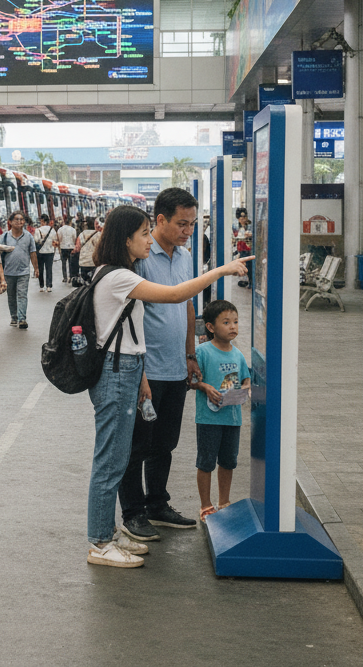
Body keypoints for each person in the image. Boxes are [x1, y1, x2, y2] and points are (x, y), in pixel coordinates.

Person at [85, 206, 252, 568]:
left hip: (127, 369)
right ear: (125, 238)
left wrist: (141, 375)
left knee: (119, 457)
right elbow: (177, 295)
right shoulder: (118, 277)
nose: (148, 240)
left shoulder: (119, 273)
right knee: (111, 462)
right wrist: (222, 270)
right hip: (116, 374)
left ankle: (108, 534)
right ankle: (100, 542)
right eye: (144, 233)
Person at [118, 188, 202, 544]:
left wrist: (190, 354)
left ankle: (157, 504)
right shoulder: (139, 258)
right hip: (146, 373)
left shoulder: (184, 258)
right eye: (182, 223)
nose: (188, 231)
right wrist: (140, 374)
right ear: (160, 220)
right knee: (136, 445)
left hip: (175, 368)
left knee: (164, 443)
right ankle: (133, 513)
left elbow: (186, 306)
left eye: (193, 224)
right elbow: (126, 319)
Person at [191, 300, 250, 521]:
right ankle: (206, 505)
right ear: (211, 327)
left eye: (235, 322)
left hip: (232, 418)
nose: (233, 327)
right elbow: (192, 380)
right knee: (206, 462)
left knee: (228, 461)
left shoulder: (238, 354)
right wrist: (205, 387)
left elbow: (245, 380)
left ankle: (224, 501)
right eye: (226, 322)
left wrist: (245, 390)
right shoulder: (202, 352)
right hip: (208, 419)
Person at [0, 210, 38, 328]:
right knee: (11, 295)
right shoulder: (5, 236)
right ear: (10, 222)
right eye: (17, 219)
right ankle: (14, 317)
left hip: (23, 271)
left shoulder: (28, 236)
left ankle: (22, 319)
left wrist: (36, 268)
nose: (19, 222)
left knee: (22, 295)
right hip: (8, 272)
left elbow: (33, 253)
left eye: (22, 220)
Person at [34, 214, 58, 292]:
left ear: (42, 221)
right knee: (49, 269)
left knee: (40, 269)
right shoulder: (52, 230)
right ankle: (49, 286)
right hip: (50, 252)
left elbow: (36, 240)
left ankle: (41, 286)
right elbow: (55, 240)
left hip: (40, 252)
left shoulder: (38, 230)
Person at [75, 216, 99, 282]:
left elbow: (77, 248)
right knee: (94, 282)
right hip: (94, 262)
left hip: (83, 262)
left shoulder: (82, 234)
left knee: (85, 283)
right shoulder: (99, 234)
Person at [58, 214, 77, 283]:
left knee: (63, 263)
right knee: (70, 263)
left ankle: (65, 277)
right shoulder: (73, 230)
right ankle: (71, 276)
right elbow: (74, 238)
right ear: (70, 222)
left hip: (63, 247)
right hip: (71, 247)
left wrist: (59, 247)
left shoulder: (60, 229)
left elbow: (59, 239)